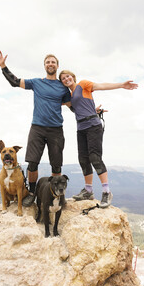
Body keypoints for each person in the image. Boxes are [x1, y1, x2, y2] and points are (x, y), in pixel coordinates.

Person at [0, 51, 72, 206]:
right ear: (45, 66)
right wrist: (3, 66)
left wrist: (91, 110)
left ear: (57, 66)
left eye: (53, 62)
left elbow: (72, 106)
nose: (50, 64)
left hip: (56, 129)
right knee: (32, 163)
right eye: (48, 62)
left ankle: (58, 195)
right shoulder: (37, 82)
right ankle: (32, 193)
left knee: (56, 165)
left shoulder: (63, 87)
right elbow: (15, 82)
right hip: (37, 128)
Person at [58, 70, 138, 208]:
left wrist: (121, 85)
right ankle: (88, 191)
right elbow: (76, 107)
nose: (66, 79)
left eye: (68, 76)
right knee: (83, 159)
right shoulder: (69, 96)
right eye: (63, 79)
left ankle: (107, 192)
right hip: (81, 128)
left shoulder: (83, 84)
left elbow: (101, 86)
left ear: (73, 77)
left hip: (93, 126)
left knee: (95, 157)